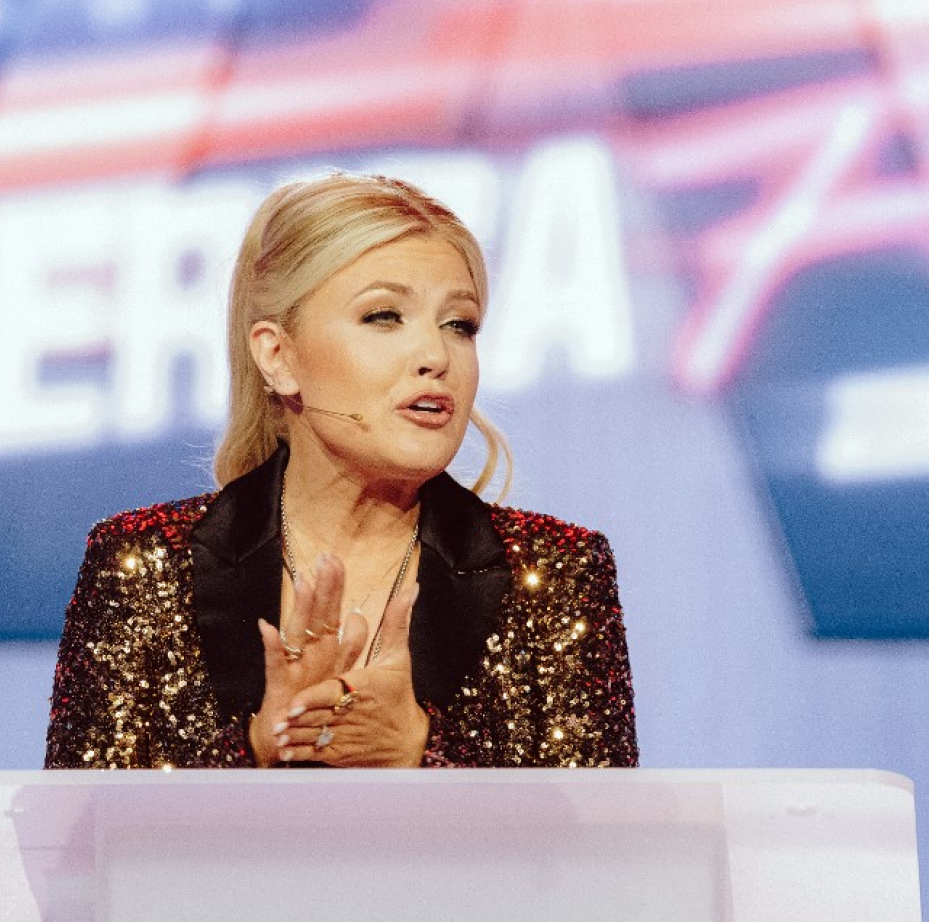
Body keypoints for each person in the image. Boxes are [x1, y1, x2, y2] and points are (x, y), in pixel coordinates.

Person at [45, 172, 637, 769]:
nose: (436, 357)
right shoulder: (142, 566)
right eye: (384, 316)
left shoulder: (557, 573)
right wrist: (260, 748)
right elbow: (79, 838)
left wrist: (419, 753)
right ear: (278, 355)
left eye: (459, 324)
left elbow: (605, 847)